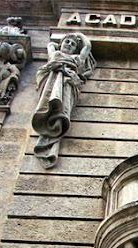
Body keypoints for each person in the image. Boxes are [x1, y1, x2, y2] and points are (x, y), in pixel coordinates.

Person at [31, 33, 95, 168]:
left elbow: (87, 46)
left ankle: (54, 131)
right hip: (51, 82)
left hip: (67, 82)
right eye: (67, 42)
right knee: (49, 105)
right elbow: (50, 45)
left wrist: (79, 35)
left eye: (73, 44)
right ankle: (49, 130)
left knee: (62, 109)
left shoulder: (76, 58)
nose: (69, 45)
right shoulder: (55, 54)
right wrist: (64, 39)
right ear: (61, 44)